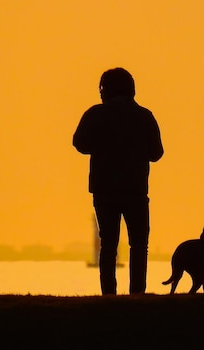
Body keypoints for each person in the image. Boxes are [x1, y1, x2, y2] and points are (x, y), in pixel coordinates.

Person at [73, 67, 163, 295]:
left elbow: (80, 144)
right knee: (139, 245)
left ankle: (108, 294)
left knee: (108, 245)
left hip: (105, 191)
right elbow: (156, 153)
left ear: (105, 90)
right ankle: (137, 293)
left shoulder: (95, 114)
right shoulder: (145, 116)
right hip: (135, 190)